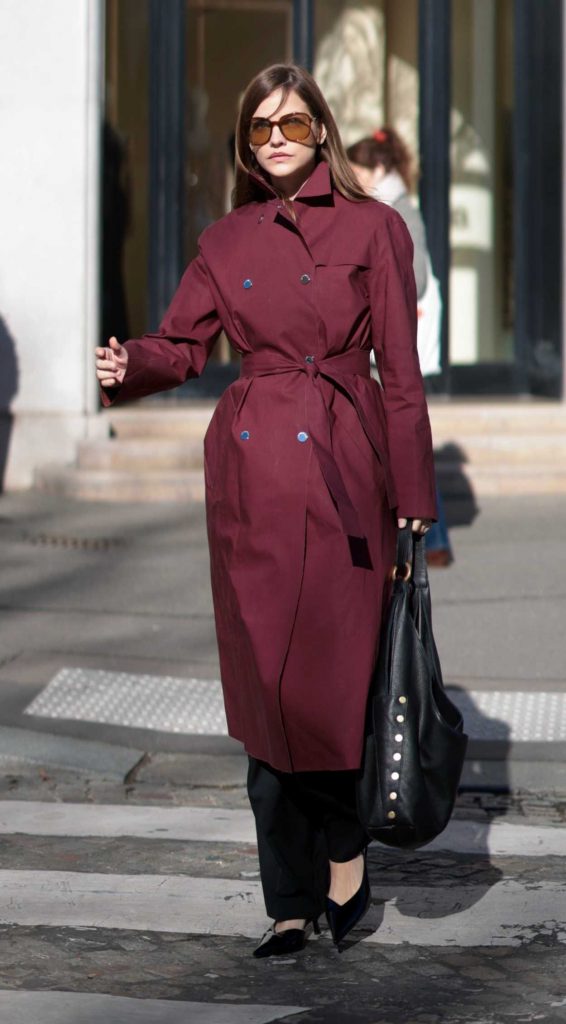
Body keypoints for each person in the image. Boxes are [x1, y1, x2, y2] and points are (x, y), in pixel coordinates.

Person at [95, 64, 437, 957]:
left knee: (330, 680)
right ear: (245, 144)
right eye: (259, 128)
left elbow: (401, 381)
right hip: (247, 477)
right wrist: (126, 366)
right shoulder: (225, 240)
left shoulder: (376, 229)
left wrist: (415, 508)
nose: (276, 138)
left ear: (321, 130)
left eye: (291, 123)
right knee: (262, 691)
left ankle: (344, 852)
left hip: (346, 470)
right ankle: (287, 899)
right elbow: (180, 344)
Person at [347, 127, 452, 567]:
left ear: (378, 168)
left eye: (355, 170)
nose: (351, 178)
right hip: (390, 348)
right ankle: (431, 541)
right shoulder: (387, 207)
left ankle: (434, 540)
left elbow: (419, 276)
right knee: (400, 444)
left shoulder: (398, 211)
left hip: (395, 350)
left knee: (404, 443)